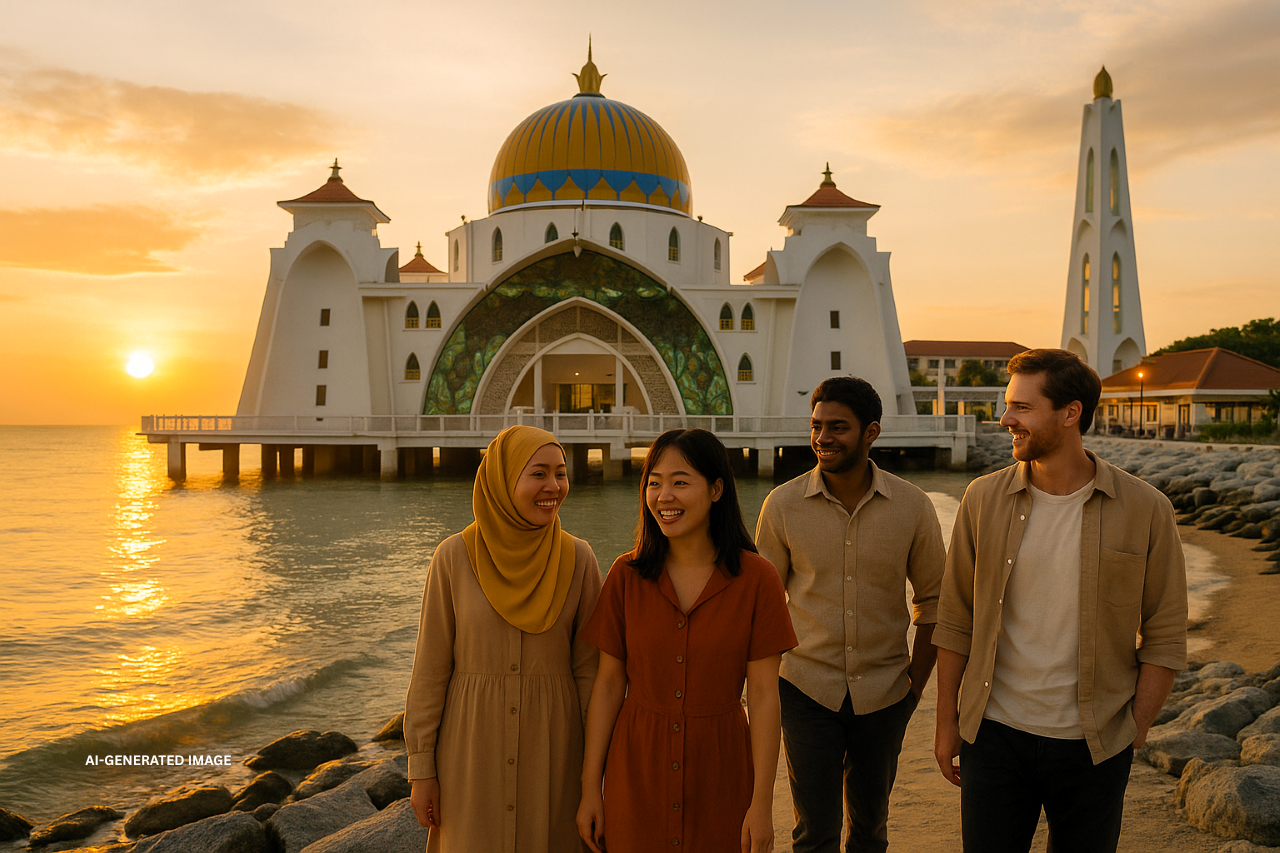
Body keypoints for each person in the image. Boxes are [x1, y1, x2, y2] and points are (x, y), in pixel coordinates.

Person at [932, 348, 1188, 853]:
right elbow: (956, 618)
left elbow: (1165, 630)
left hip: (1095, 745)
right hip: (994, 735)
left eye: (1022, 408)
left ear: (1071, 413)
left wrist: (1135, 729)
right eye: (1008, 405)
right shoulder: (982, 499)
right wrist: (947, 724)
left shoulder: (1146, 508)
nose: (1005, 419)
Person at [576, 428, 797, 853]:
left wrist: (762, 804)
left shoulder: (758, 580)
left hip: (722, 772)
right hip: (635, 772)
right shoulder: (625, 576)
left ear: (716, 490)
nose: (664, 497)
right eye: (654, 483)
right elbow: (607, 686)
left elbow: (764, 696)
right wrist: (591, 789)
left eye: (680, 482)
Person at [756, 376, 946, 853]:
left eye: (837, 427)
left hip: (885, 694)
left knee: (869, 832)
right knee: (813, 834)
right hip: (804, 690)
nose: (823, 438)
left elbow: (934, 603)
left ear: (871, 432)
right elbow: (761, 606)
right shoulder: (782, 505)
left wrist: (914, 688)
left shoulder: (913, 506)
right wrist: (762, 689)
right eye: (816, 426)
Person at [405, 425, 602, 853]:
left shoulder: (580, 559)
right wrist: (422, 769)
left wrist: (595, 778)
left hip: (555, 755)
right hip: (470, 753)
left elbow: (590, 674)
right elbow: (430, 671)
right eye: (538, 473)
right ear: (503, 479)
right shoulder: (453, 557)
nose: (553, 487)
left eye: (561, 473)